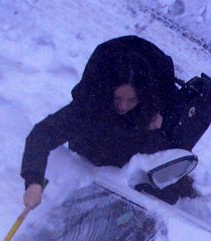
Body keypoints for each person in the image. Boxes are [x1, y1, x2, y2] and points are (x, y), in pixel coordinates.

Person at [20, 35, 197, 209]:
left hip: (134, 143)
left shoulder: (151, 103)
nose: (123, 106)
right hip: (91, 151)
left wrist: (157, 116)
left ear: (142, 96)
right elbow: (41, 135)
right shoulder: (89, 104)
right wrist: (33, 182)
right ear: (108, 91)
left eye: (131, 100)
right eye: (117, 98)